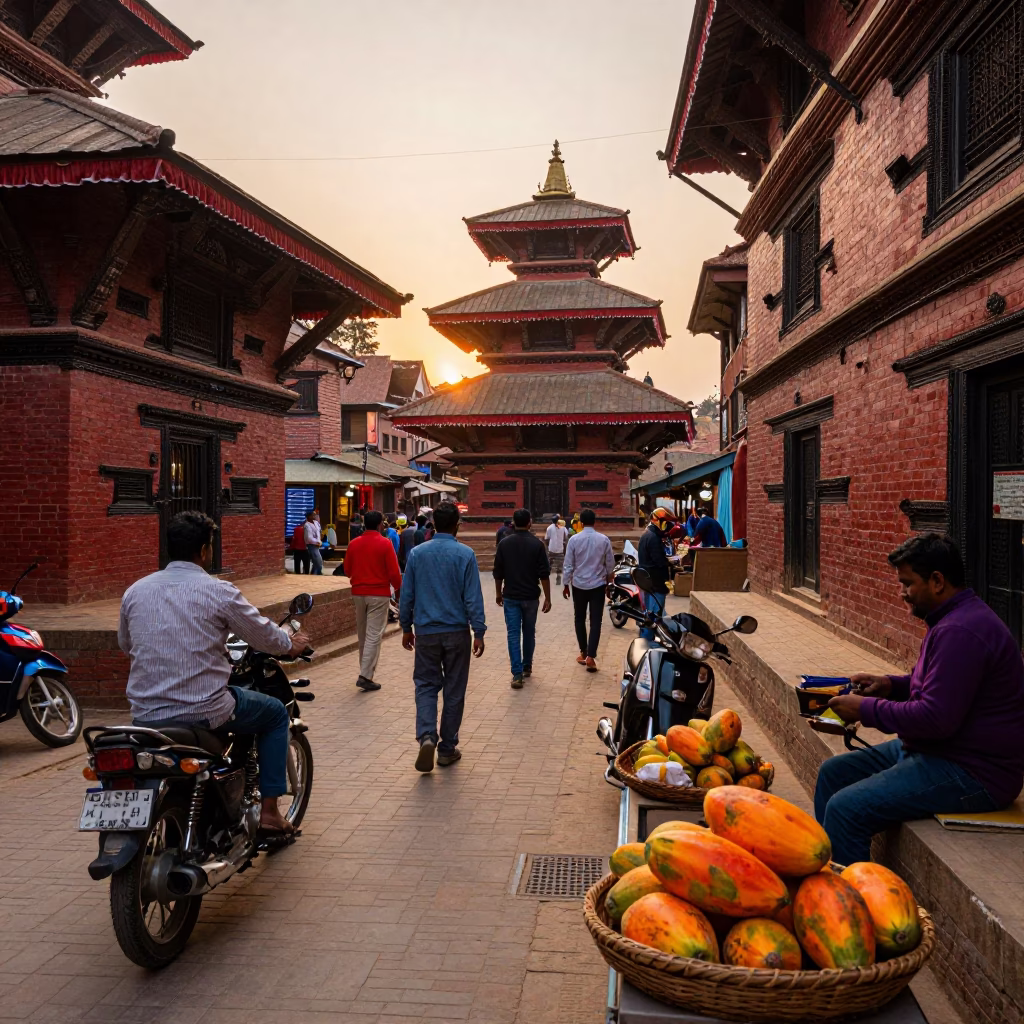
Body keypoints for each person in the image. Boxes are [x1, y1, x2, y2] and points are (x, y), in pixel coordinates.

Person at [816, 534, 1024, 865]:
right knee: (833, 773)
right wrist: (888, 686)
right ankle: (820, 873)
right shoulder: (951, 620)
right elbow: (929, 687)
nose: (902, 593)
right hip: (934, 751)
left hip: (973, 772)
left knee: (845, 810)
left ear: (937, 581)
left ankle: (850, 907)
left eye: (907, 583)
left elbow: (935, 719)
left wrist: (865, 709)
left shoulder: (961, 631)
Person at [119, 511, 311, 834]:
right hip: (203, 711)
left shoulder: (135, 592)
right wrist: (290, 644)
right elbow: (263, 633)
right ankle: (269, 813)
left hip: (144, 715)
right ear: (205, 551)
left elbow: (127, 645)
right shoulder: (217, 591)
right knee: (276, 713)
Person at [400, 501, 486, 773]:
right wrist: (479, 631)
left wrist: (405, 627)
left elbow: (407, 594)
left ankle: (426, 736)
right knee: (454, 689)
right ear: (457, 525)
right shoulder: (465, 554)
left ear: (434, 524)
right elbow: (472, 597)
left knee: (425, 685)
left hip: (426, 632)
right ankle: (447, 749)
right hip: (457, 632)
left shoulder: (417, 554)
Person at [344, 510, 403, 692]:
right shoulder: (385, 544)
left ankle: (365, 671)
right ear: (380, 525)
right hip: (378, 594)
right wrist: (399, 591)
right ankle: (365, 675)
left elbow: (347, 570)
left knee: (363, 634)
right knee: (373, 635)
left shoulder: (354, 544)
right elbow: (394, 573)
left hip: (358, 593)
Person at [494, 508, 552, 688]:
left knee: (513, 634)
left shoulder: (504, 544)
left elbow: (498, 572)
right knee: (529, 632)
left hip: (510, 595)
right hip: (531, 596)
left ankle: (517, 674)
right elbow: (544, 574)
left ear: (513, 522)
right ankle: (527, 666)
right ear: (529, 523)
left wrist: (498, 593)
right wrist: (548, 598)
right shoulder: (537, 544)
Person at [562, 508, 615, 672]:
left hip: (578, 585)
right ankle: (591, 657)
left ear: (581, 523)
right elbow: (610, 565)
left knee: (579, 618)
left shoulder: (574, 540)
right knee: (596, 621)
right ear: (595, 521)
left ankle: (583, 652)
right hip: (598, 585)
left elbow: (568, 564)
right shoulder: (604, 539)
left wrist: (565, 583)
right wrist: (609, 584)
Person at [637, 508, 678, 641]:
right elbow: (658, 560)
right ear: (658, 522)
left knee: (650, 614)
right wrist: (671, 562)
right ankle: (647, 643)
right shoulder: (653, 537)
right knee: (654, 616)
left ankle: (646, 639)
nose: (667, 528)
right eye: (665, 523)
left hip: (649, 581)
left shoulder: (647, 534)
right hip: (655, 582)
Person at [544, 514, 570, 586]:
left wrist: (547, 547)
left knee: (550, 563)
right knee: (559, 564)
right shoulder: (563, 528)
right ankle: (558, 576)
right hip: (560, 549)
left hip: (551, 549)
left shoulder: (549, 528)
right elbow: (565, 538)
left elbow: (546, 539)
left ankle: (547, 577)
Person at [304, 510, 323, 575]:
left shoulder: (316, 523)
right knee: (318, 562)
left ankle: (313, 575)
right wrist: (317, 542)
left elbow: (319, 532)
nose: (315, 516)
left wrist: (320, 540)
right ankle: (318, 574)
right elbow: (309, 538)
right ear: (309, 516)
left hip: (317, 544)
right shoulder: (307, 525)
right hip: (312, 545)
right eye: (313, 515)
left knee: (315, 563)